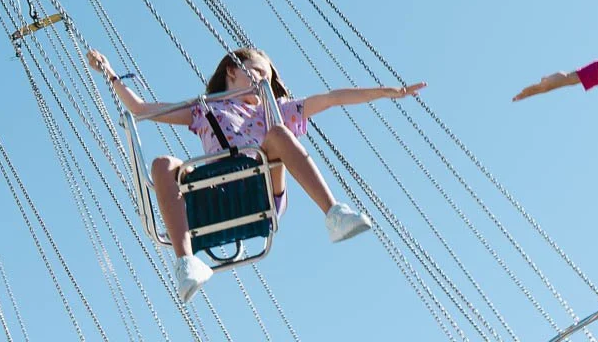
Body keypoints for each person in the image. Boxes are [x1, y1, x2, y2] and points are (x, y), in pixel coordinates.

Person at [85, 45, 424, 302]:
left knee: (277, 135)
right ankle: (186, 263)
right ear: (233, 68)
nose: (266, 81)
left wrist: (387, 92)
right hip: (218, 190)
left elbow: (332, 98)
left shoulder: (273, 109)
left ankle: (334, 213)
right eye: (259, 72)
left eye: (268, 79)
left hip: (261, 185)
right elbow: (143, 110)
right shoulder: (204, 109)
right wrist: (110, 74)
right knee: (161, 164)